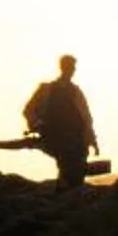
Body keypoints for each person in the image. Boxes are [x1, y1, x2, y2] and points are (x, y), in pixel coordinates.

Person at [23, 54, 99, 191]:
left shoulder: (76, 92)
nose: (72, 70)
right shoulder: (47, 89)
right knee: (67, 169)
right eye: (70, 67)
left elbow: (86, 118)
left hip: (77, 139)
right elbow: (29, 110)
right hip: (56, 136)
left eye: (73, 67)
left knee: (75, 172)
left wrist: (92, 140)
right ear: (63, 68)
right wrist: (36, 124)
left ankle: (68, 196)